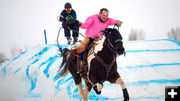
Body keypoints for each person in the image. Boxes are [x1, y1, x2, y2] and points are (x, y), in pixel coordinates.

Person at [75, 8, 123, 74]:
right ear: (100, 14)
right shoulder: (93, 18)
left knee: (108, 50)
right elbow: (85, 25)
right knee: (81, 49)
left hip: (100, 40)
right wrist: (79, 24)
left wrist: (117, 22)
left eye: (106, 16)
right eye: (103, 15)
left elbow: (113, 21)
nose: (105, 17)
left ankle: (110, 67)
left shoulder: (108, 20)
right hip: (90, 38)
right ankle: (83, 66)